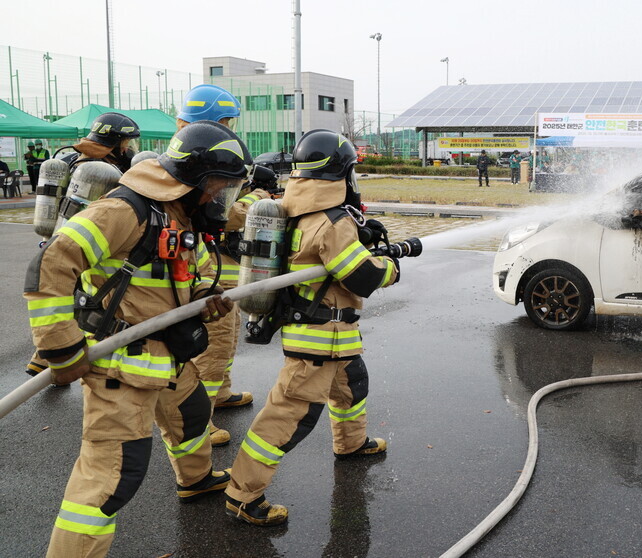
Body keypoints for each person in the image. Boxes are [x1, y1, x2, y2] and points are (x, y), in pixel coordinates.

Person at [24, 120, 250, 558]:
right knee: (110, 480)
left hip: (167, 357)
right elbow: (50, 264)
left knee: (192, 414)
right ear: (196, 180)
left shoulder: (177, 214)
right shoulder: (126, 211)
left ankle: (196, 479)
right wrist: (62, 348)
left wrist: (205, 292)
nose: (221, 200)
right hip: (121, 368)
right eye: (220, 188)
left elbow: (195, 265)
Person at [224, 129, 399, 526]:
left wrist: (364, 235)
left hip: (334, 335)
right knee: (287, 418)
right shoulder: (332, 221)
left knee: (353, 385)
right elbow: (361, 277)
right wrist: (391, 266)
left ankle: (351, 443)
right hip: (320, 338)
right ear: (340, 173)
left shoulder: (294, 207)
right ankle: (242, 493)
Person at [23, 113, 142, 382]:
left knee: (67, 299)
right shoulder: (105, 171)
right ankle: (54, 359)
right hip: (87, 245)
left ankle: (40, 361)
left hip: (55, 238)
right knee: (84, 302)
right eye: (127, 143)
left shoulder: (68, 159)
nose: (129, 149)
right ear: (117, 142)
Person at [174, 83, 257, 448]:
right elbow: (224, 214)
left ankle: (220, 393)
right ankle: (199, 420)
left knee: (229, 327)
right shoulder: (197, 163)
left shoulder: (189, 153)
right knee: (215, 340)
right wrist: (258, 201)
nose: (231, 128)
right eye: (226, 121)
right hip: (198, 264)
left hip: (211, 257)